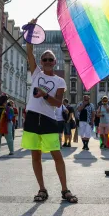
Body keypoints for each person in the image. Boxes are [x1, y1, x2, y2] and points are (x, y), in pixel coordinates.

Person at [22, 28, 77, 204]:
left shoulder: (60, 81)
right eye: (44, 59)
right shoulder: (36, 73)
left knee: (57, 155)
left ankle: (65, 189)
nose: (47, 61)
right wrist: (30, 30)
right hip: (32, 118)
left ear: (54, 62)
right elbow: (29, 50)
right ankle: (42, 189)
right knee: (35, 156)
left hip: (48, 120)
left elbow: (58, 103)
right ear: (41, 61)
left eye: (50, 59)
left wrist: (44, 94)